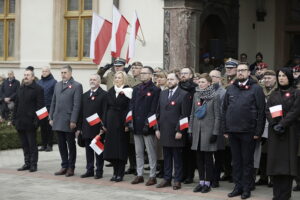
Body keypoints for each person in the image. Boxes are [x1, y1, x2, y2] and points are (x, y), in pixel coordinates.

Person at [223, 63, 266, 199]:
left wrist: (258, 132)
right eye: (239, 70)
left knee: (247, 161)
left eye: (243, 70)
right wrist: (225, 128)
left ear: (248, 72)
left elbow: (261, 111)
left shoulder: (256, 89)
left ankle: (246, 188)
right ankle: (238, 186)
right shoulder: (231, 88)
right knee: (236, 161)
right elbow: (225, 110)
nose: (240, 73)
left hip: (249, 131)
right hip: (233, 131)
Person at [265, 68, 300, 200]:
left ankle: (285, 195)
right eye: (279, 75)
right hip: (275, 133)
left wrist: (282, 124)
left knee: (287, 166)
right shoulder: (275, 94)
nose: (281, 78)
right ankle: (276, 194)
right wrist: (274, 124)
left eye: (284, 76)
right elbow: (268, 110)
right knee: (275, 165)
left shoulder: (296, 93)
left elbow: (295, 111)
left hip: (290, 132)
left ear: (290, 77)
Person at [156, 72, 189, 190]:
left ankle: (177, 180)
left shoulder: (184, 94)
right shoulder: (163, 94)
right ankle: (167, 179)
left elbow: (184, 115)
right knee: (167, 157)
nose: (169, 81)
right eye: (168, 79)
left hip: (176, 132)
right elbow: (158, 112)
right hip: (164, 130)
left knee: (177, 158)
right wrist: (157, 128)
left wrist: (180, 130)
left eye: (172, 79)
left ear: (177, 81)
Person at [189, 73, 221, 193]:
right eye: (199, 82)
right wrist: (190, 130)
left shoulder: (215, 96)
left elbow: (218, 116)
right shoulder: (196, 94)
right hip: (197, 130)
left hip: (209, 131)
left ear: (209, 83)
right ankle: (201, 181)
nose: (200, 84)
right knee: (199, 158)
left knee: (208, 159)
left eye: (203, 82)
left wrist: (215, 132)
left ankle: (208, 182)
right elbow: (192, 114)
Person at [50, 65, 83, 177]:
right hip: (58, 119)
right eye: (62, 72)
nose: (63, 74)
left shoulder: (77, 86)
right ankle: (64, 165)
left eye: (65, 72)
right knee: (61, 144)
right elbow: (53, 102)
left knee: (71, 145)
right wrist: (51, 117)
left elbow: (77, 105)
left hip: (69, 120)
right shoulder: (57, 85)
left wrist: (73, 120)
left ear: (70, 73)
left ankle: (71, 167)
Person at [130, 66, 161, 186]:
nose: (142, 75)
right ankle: (139, 174)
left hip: (147, 125)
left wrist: (148, 124)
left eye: (145, 73)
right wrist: (130, 121)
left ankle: (152, 175)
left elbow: (154, 109)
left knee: (151, 152)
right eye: (141, 73)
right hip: (136, 124)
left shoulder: (155, 90)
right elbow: (131, 106)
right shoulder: (136, 89)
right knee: (138, 152)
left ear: (151, 75)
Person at [103, 71, 133, 182]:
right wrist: (104, 124)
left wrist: (127, 124)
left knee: (121, 149)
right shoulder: (110, 91)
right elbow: (106, 108)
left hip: (121, 123)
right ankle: (115, 172)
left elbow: (130, 109)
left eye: (119, 78)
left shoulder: (128, 91)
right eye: (115, 77)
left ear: (124, 79)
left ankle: (120, 173)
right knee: (112, 149)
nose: (117, 79)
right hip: (111, 123)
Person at [12, 68, 44, 172]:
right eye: (25, 75)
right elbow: (16, 105)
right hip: (20, 122)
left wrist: (37, 121)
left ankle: (33, 164)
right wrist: (14, 119)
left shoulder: (38, 89)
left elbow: (41, 107)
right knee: (24, 144)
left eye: (28, 75)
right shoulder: (20, 88)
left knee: (32, 145)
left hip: (31, 122)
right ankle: (27, 163)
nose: (26, 76)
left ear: (33, 77)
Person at [77, 74, 107, 179]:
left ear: (99, 82)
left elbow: (104, 112)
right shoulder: (84, 95)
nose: (92, 81)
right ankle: (89, 170)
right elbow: (81, 113)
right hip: (86, 128)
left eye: (94, 79)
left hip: (98, 129)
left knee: (98, 151)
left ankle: (99, 171)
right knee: (88, 151)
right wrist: (79, 128)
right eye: (91, 79)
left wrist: (103, 126)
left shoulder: (104, 95)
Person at [178, 67, 198, 184]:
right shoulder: (177, 87)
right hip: (179, 122)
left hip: (191, 122)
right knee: (180, 151)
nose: (183, 75)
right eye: (182, 73)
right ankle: (181, 173)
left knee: (190, 152)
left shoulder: (195, 88)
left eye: (186, 73)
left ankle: (189, 175)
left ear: (191, 75)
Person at [209, 70, 226, 188]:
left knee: (218, 154)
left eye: (214, 77)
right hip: (207, 126)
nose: (212, 79)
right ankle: (209, 177)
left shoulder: (223, 92)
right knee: (208, 154)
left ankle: (215, 178)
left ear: (220, 79)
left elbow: (222, 111)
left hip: (218, 126)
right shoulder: (207, 90)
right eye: (210, 77)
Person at [37, 67, 57, 152]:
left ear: (49, 72)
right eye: (43, 71)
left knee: (49, 127)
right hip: (41, 109)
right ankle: (43, 145)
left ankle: (49, 145)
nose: (44, 72)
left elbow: (55, 96)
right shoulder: (39, 82)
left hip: (49, 108)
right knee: (43, 127)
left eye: (46, 71)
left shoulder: (54, 82)